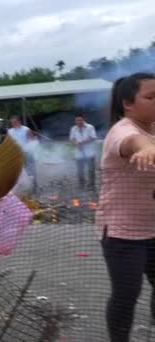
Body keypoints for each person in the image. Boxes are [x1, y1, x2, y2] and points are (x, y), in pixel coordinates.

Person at [96, 72, 155, 342]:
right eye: (151, 97)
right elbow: (134, 142)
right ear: (128, 104)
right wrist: (145, 148)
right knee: (127, 295)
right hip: (122, 233)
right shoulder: (123, 131)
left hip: (152, 228)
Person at [8, 115, 37, 190]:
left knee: (30, 168)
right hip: (16, 153)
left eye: (15, 122)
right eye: (12, 123)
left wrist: (28, 148)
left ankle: (33, 185)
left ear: (19, 121)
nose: (13, 124)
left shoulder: (26, 129)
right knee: (19, 170)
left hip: (27, 152)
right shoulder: (10, 131)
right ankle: (22, 185)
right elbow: (8, 143)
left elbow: (33, 141)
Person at [69, 113, 98, 189]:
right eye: (77, 120)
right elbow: (72, 138)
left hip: (90, 152)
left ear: (83, 119)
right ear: (75, 121)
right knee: (80, 171)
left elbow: (93, 137)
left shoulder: (90, 127)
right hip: (79, 153)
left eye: (80, 120)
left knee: (91, 170)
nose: (78, 122)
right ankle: (81, 185)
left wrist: (81, 142)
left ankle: (92, 185)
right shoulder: (73, 128)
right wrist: (76, 143)